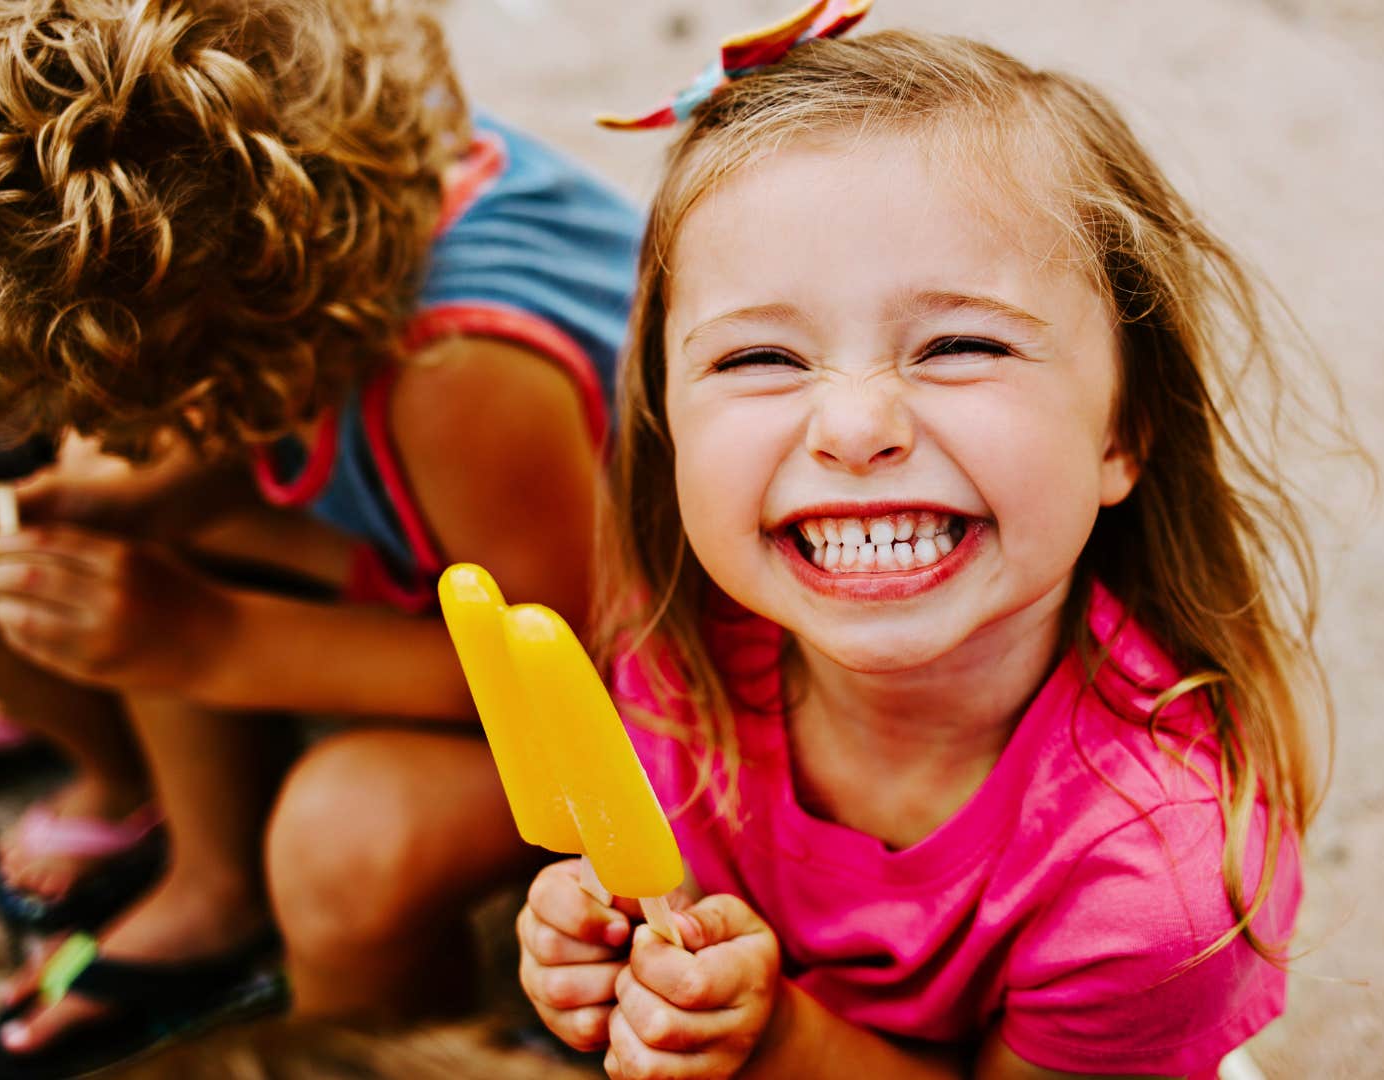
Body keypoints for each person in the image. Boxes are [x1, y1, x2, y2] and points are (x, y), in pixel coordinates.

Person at [515, 15, 1341, 1080]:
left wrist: (771, 1041)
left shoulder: (1157, 890)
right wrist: (612, 956)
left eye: (961, 344)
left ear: (1123, 430)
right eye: (762, 356)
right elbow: (657, 908)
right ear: (668, 421)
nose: (855, 430)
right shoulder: (678, 650)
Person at [0, 0, 638, 1073]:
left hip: (670, 693)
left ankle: (386, 1042)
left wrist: (209, 639)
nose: (45, 424)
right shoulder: (296, 180)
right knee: (109, 506)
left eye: (92, 385)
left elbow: (587, 682)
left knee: (348, 847)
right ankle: (212, 879)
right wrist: (135, 508)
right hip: (473, 547)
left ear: (202, 315)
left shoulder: (462, 377)